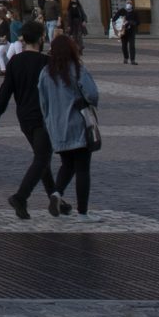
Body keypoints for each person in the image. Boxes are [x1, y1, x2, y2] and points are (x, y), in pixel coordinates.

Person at [0, 20, 55, 220]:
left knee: (42, 158)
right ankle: (20, 197)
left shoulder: (15, 62)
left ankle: (56, 198)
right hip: (43, 117)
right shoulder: (46, 62)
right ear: (42, 38)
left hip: (24, 117)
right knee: (42, 159)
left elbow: (5, 91)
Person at [38, 33, 101, 216]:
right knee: (82, 168)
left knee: (67, 164)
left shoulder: (45, 72)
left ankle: (56, 193)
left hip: (56, 125)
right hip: (77, 122)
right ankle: (83, 212)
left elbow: (43, 102)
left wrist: (49, 120)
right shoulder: (77, 69)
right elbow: (92, 94)